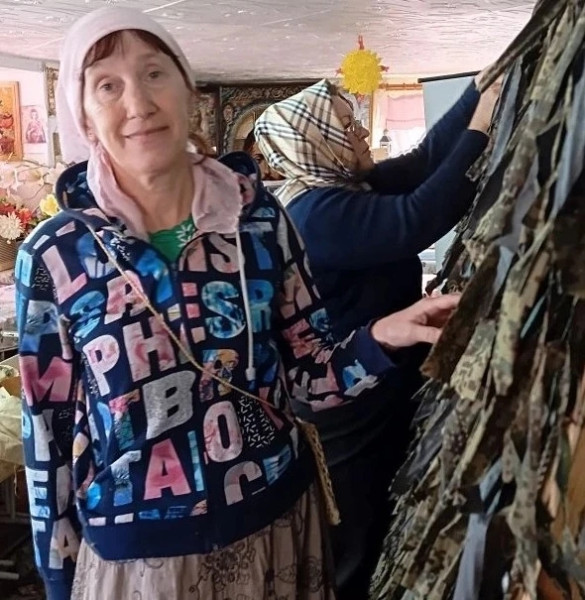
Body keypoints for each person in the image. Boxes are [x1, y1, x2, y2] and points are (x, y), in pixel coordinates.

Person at [15, 7, 462, 600]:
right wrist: (57, 578)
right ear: (84, 117)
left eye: (154, 73)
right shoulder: (57, 254)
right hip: (139, 560)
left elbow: (308, 379)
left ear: (188, 92)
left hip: (277, 529)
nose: (138, 103)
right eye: (107, 86)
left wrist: (384, 336)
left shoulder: (258, 220)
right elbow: (47, 435)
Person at [254, 75, 501, 598]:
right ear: (317, 142)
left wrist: (476, 92)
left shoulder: (346, 187)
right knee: (357, 534)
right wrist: (481, 128)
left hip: (380, 373)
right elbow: (417, 219)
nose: (362, 133)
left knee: (384, 513)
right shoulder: (314, 213)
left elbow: (423, 161)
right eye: (346, 126)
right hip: (349, 401)